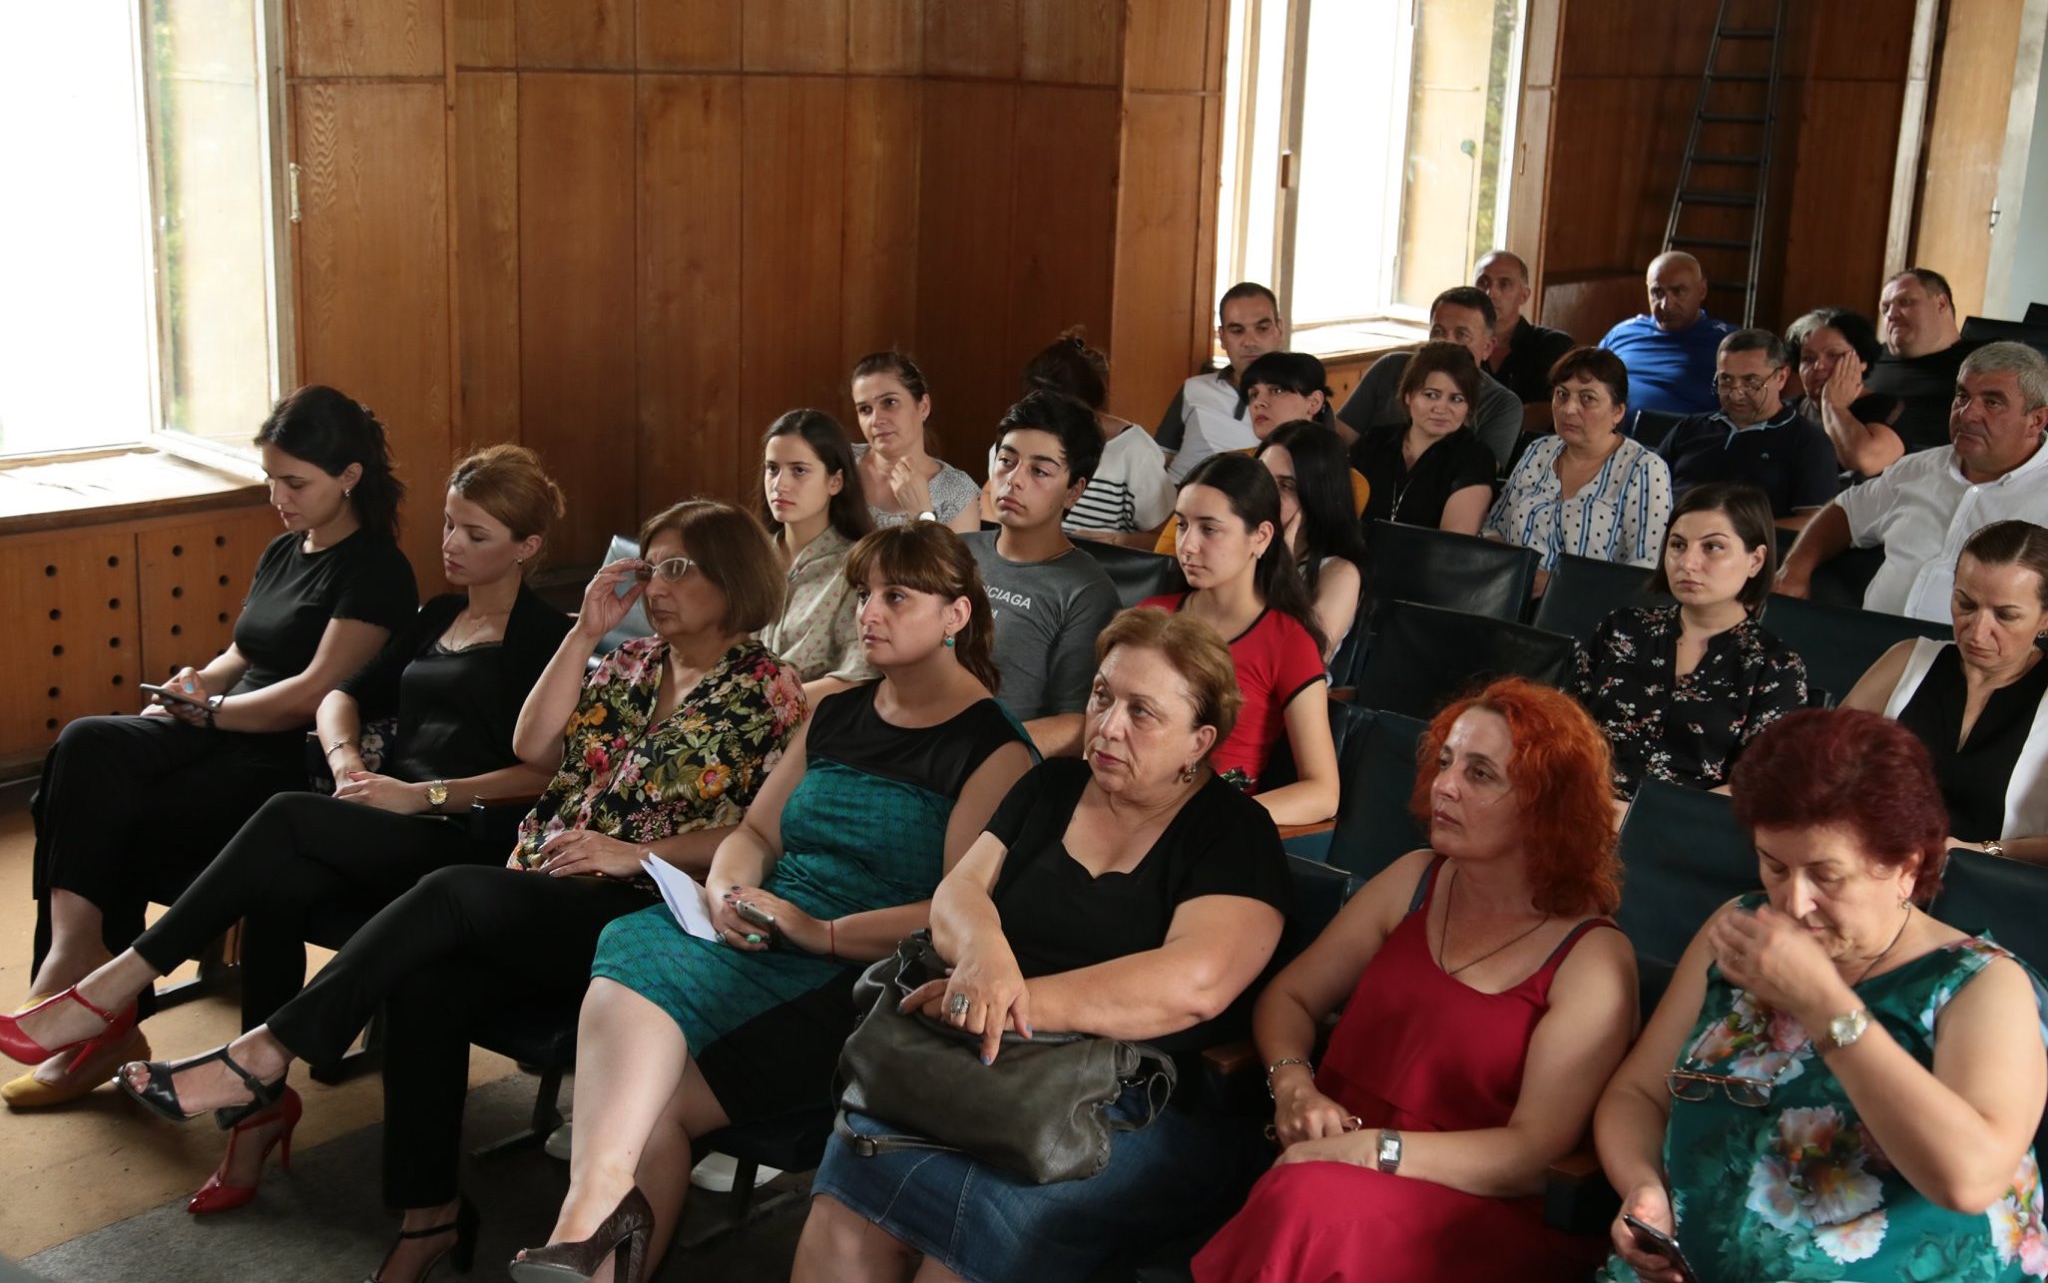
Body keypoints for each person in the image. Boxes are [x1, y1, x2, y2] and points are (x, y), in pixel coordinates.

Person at [108, 500, 805, 1283]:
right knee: (426, 983)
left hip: (640, 910)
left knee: (449, 892)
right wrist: (584, 633)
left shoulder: (770, 689)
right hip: (543, 886)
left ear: (733, 577)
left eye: (678, 568)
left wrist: (633, 853)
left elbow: (762, 831)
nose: (658, 586)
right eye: (651, 568)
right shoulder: (632, 659)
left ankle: (263, 1052)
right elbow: (532, 744)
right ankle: (428, 1216)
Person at [0, 447, 571, 1215]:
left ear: (527, 546)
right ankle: (256, 1111)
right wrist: (346, 766)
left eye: (475, 533)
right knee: (278, 881)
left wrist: (419, 794)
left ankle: (111, 987)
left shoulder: (546, 638)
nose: (451, 544)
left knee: (282, 814)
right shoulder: (439, 615)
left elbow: (546, 772)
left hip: (460, 832)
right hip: (381, 813)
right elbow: (340, 695)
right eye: (447, 524)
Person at [513, 523, 1036, 1283]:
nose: (869, 613)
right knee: (638, 962)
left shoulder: (995, 748)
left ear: (956, 615)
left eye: (896, 597)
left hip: (857, 974)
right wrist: (727, 890)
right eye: (864, 594)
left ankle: (583, 1228)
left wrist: (822, 932)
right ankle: (587, 1226)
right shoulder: (839, 712)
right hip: (768, 927)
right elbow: (757, 832)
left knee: (649, 1094)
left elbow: (955, 910)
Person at [795, 606, 1293, 1283]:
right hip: (977, 1059)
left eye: (1142, 712)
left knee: (967, 1235)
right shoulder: (1051, 787)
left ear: (1198, 741)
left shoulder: (1234, 834)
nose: (1108, 725)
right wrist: (985, 956)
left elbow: (1192, 986)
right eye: (1102, 696)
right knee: (849, 1196)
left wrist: (1008, 1001)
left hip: (1129, 1099)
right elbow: (959, 892)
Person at [16, 385, 417, 1107]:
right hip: (222, 725)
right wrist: (193, 684)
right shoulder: (284, 548)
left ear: (350, 476)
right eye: (270, 478)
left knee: (102, 810)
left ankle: (99, 1023)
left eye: (294, 482)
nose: (277, 496)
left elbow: (312, 692)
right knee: (82, 746)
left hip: (278, 757)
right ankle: (77, 958)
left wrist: (213, 713)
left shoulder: (377, 570)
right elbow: (243, 651)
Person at [1193, 678, 1637, 1283]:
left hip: (1470, 1211)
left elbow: (1533, 1155)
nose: (1443, 786)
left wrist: (1375, 1151)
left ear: (1545, 804)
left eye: (1481, 774)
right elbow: (1291, 997)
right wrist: (1294, 1086)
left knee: (1308, 1204)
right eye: (1446, 762)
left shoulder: (1594, 959)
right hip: (1322, 1167)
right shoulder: (1414, 878)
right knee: (1306, 1198)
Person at [1592, 709, 2048, 1283]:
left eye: (1826, 876)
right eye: (1774, 866)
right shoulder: (1741, 930)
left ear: (1905, 867)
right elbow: (1637, 1094)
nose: (1793, 901)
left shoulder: (1981, 985)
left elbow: (1969, 1181)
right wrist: (1642, 1187)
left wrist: (1823, 1004)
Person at [1776, 342, 2048, 622]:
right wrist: (1795, 569)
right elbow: (1846, 511)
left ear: (2036, 420)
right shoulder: (1916, 470)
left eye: (1992, 403)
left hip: (1972, 648)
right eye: (1962, 396)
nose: (1967, 414)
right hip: (1870, 638)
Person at [1569, 483, 1808, 800]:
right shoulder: (1622, 628)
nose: (1687, 563)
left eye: (1713, 547)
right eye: (1678, 545)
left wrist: (1640, 816)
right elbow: (1560, 726)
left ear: (1755, 560)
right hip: (1580, 805)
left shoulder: (1775, 667)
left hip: (1687, 823)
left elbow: (1760, 784)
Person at [1140, 454, 1339, 825]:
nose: (1187, 545)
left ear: (1260, 537)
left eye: (1209, 529)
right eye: (1182, 525)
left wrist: (1219, 819)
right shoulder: (1150, 616)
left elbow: (1322, 793)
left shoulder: (1288, 642)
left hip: (1204, 826)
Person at [1841, 520, 2048, 856]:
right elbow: (1821, 766)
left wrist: (1978, 852)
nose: (1977, 632)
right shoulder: (1906, 660)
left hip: (1989, 879)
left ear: (2045, 618)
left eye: (2005, 616)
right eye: (1965, 604)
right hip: (1869, 860)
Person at [968, 392, 1120, 756]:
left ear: (1074, 492)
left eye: (1039, 471)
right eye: (1006, 461)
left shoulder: (1086, 590)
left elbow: (1078, 722)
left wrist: (974, 749)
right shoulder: (956, 552)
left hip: (993, 760)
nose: (1014, 480)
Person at [1485, 348, 1675, 595]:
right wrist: (1513, 571)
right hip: (1511, 595)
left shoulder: (1645, 469)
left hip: (1589, 607)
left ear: (1618, 412)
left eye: (1587, 398)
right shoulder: (1538, 451)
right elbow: (1494, 526)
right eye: (1562, 395)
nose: (1569, 409)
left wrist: (1559, 584)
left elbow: (1648, 566)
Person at [1153, 350, 1368, 555]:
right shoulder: (1223, 467)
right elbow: (1168, 550)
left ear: (1314, 402)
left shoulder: (1349, 480)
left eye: (1276, 391)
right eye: (1253, 394)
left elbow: (1330, 550)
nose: (1259, 403)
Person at [1655, 329, 1840, 527]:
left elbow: (1815, 523)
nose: (1736, 394)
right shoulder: (1690, 428)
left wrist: (1731, 533)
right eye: (1726, 380)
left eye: (1751, 381)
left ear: (1781, 377)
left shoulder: (1808, 441)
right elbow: (1646, 489)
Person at [757, 408, 877, 706]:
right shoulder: (747, 559)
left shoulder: (858, 566)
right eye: (772, 469)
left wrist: (768, 706)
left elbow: (858, 675)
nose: (780, 485)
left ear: (835, 481)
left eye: (799, 470)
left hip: (813, 719)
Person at [1015, 329, 1174, 548]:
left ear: (1089, 408)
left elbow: (1167, 538)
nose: (1046, 421)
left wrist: (1113, 540)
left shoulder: (1134, 450)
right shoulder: (1020, 433)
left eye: (1059, 413)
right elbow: (989, 500)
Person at [1335, 286, 1521, 469]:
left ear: (1488, 347)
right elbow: (1339, 438)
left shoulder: (1502, 404)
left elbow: (1481, 473)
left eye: (1462, 335)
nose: (1447, 343)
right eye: (1438, 332)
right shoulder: (1390, 367)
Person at [1352, 340, 1499, 535]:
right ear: (1408, 395)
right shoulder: (1374, 441)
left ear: (1469, 407)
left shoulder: (1476, 457)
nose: (1441, 408)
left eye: (1456, 399)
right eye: (1431, 395)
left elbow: (1452, 543)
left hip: (1428, 556)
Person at [1258, 420, 1367, 663]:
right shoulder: (1238, 549)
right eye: (1263, 479)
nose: (1267, 495)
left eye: (1286, 486)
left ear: (1319, 496)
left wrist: (1282, 565)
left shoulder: (1341, 573)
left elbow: (1303, 662)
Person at [1157, 282, 1280, 481]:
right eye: (1237, 331)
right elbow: (1159, 460)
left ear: (1279, 329)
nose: (1250, 342)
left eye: (1262, 328)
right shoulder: (1194, 389)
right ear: (1222, 337)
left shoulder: (1303, 398)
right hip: (1177, 493)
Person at [849, 352, 981, 531]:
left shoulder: (956, 492)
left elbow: (954, 552)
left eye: (890, 402)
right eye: (865, 409)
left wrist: (922, 514)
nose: (876, 420)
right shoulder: (839, 460)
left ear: (923, 407)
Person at [1596, 251, 1737, 416]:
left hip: (1680, 431)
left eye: (1678, 291)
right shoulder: (1623, 332)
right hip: (1607, 427)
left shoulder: (1729, 342)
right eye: (1657, 292)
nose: (1666, 305)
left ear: (1702, 290)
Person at [1869, 267, 1979, 455]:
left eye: (1905, 302)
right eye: (1885, 308)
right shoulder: (1866, 358)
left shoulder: (1986, 360)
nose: (1891, 314)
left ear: (1941, 304)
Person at [1783, 306, 1901, 479]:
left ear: (1862, 362)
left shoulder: (1887, 407)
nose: (1818, 366)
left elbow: (1863, 462)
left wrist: (1833, 405)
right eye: (1808, 358)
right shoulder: (1786, 411)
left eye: (1834, 355)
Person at [1474, 249, 1578, 434]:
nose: (1491, 293)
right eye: (1483, 282)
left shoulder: (1553, 346)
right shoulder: (1459, 346)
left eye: (1504, 284)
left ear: (1524, 295)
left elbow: (1548, 413)